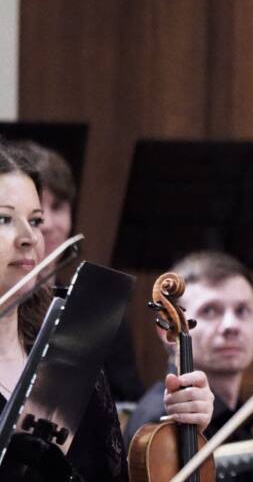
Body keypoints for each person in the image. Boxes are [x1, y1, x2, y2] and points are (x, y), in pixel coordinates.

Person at [0, 140, 214, 480]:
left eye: (35, 221)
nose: (30, 238)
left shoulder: (72, 339)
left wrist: (181, 433)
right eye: (4, 219)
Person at [124, 251, 253, 482]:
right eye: (210, 311)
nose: (231, 325)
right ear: (166, 331)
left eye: (242, 311)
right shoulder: (161, 425)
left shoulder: (239, 422)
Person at [14, 138, 144, 401]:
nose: (47, 224)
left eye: (58, 207)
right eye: (35, 213)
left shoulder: (98, 312)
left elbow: (126, 408)